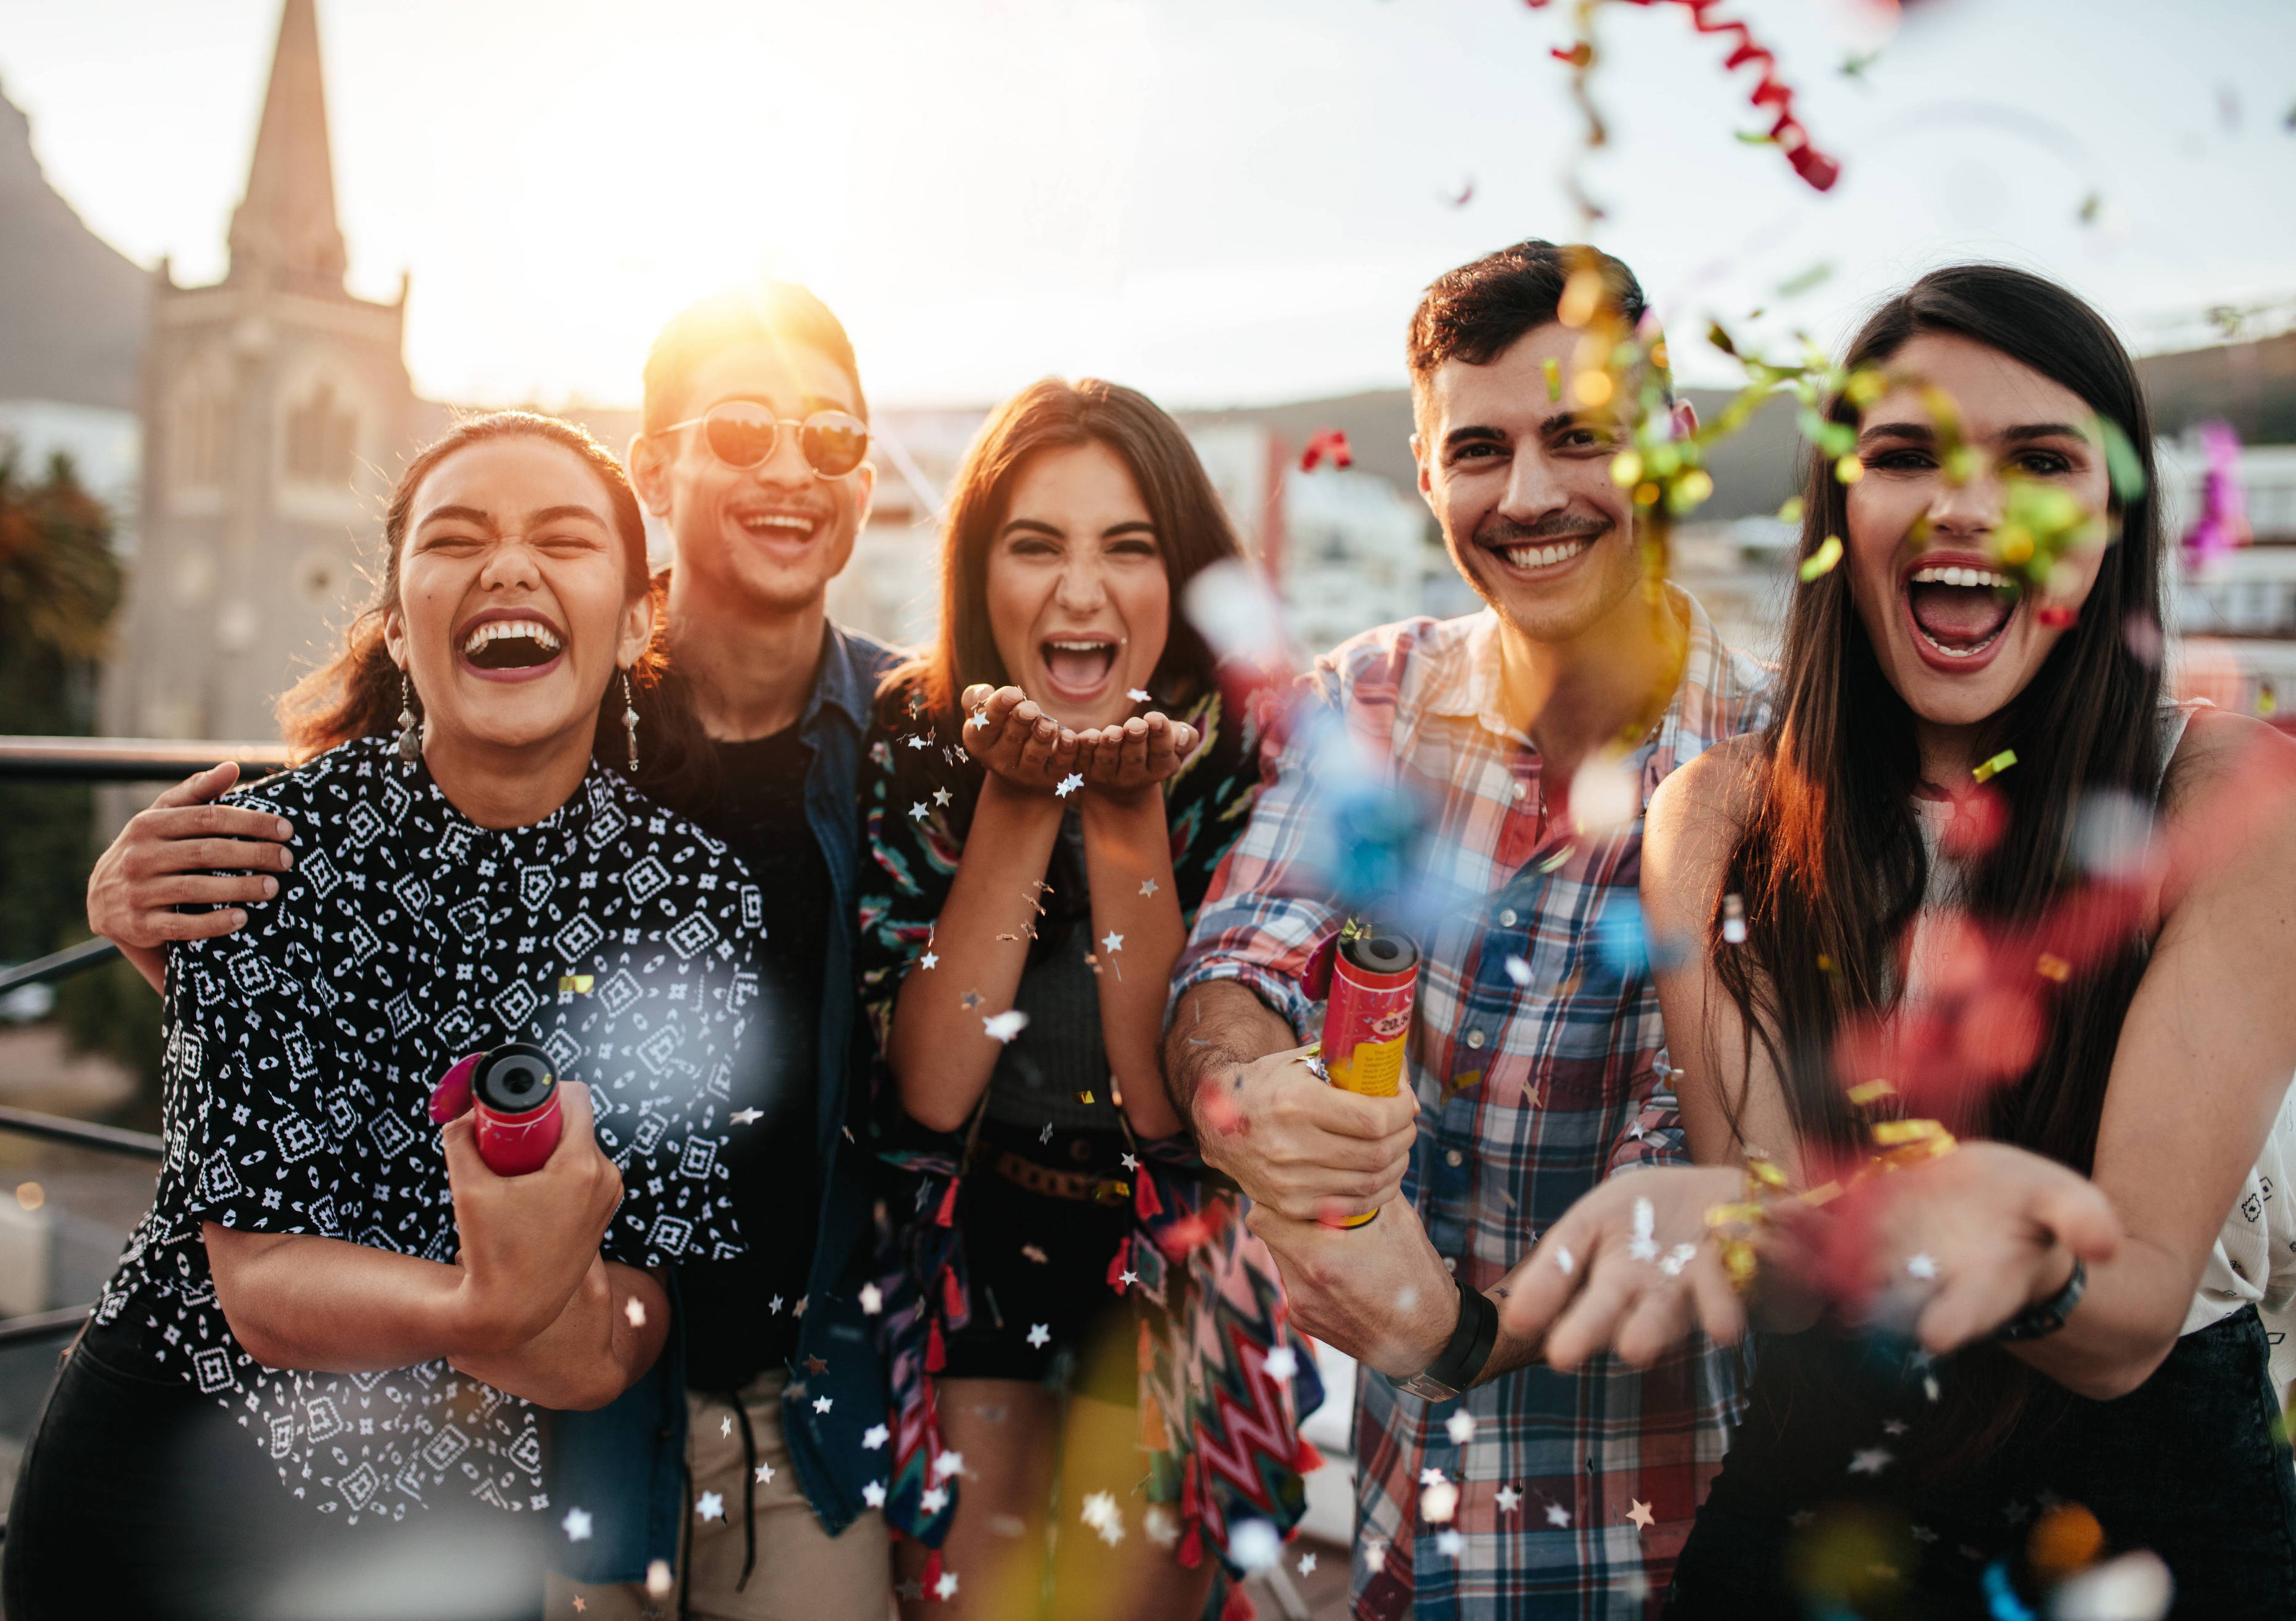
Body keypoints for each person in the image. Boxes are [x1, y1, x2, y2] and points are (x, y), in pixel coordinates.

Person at [81, 284, 900, 1621]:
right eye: (742, 432)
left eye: (830, 437)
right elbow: (348, 926)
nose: (788, 470)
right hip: (518, 1413)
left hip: (755, 1376)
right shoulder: (523, 703)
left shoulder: (908, 738)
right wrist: (137, 897)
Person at [1503, 264, 2296, 1617]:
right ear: (1837, 514)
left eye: (2038, 458)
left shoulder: (2229, 803)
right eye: (1902, 454)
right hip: (1821, 1497)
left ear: (2111, 522)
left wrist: (2008, 1244)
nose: (1964, 502)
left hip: (2151, 1520)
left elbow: (2129, 1320)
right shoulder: (1710, 817)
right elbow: (1768, 1241)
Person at [7, 412, 761, 1620]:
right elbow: (257, 1285)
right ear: (401, 628)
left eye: (562, 538)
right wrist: (495, 1306)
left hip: (458, 1526)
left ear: (634, 619)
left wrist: (553, 1322)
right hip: (170, 1479)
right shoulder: (262, 848)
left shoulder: (698, 899)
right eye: (456, 539)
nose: (507, 567)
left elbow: (621, 1328)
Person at [1158, 239, 1770, 1617]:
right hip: (1403, 1538)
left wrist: (1458, 1338)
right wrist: (1248, 1086)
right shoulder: (1371, 695)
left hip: (1676, 1548)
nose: (1531, 494)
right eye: (1480, 449)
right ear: (1427, 473)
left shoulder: (1779, 753)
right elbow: (1233, 961)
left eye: (1581, 438)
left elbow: (1719, 1164)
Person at [857, 379, 1314, 1619]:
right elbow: (934, 1084)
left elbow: (1170, 1117)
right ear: (975, 573)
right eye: (1034, 545)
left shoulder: (1248, 750)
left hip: (1173, 1250)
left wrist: (1122, 821)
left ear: (1180, 578)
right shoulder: (914, 731)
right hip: (977, 1231)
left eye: (1127, 546)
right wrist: (1016, 801)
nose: (1078, 590)